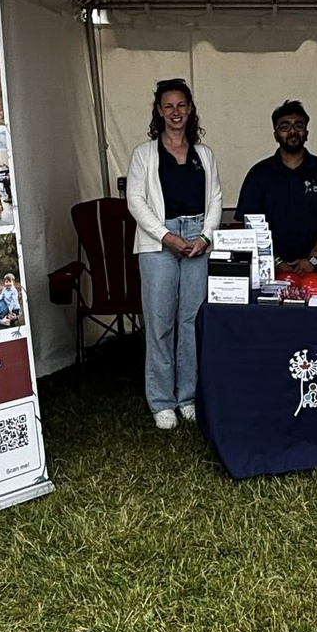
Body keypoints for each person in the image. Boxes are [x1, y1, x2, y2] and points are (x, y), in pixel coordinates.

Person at [127, 79, 223, 430]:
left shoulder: (205, 154)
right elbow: (135, 201)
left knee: (190, 322)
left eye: (181, 105)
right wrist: (166, 236)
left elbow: (215, 199)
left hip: (196, 238)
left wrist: (205, 237)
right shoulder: (144, 154)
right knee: (159, 322)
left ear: (190, 109)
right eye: (168, 106)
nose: (175, 112)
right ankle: (161, 400)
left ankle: (187, 397)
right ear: (158, 111)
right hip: (158, 242)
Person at [236, 100, 317, 276]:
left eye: (298, 126)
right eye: (285, 126)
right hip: (268, 272)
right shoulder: (258, 174)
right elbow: (250, 223)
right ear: (275, 134)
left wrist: (312, 260)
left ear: (306, 133)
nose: (292, 131)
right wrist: (275, 261)